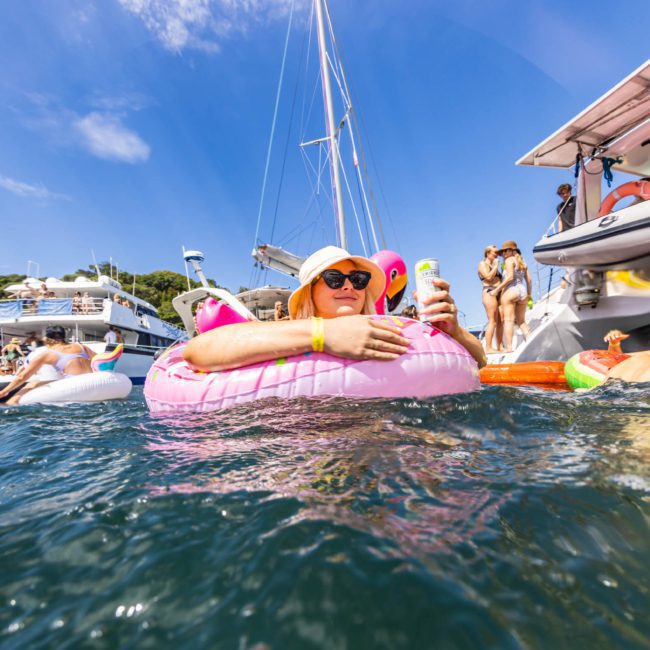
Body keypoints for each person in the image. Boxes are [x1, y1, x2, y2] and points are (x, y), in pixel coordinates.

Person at [183, 246, 486, 372]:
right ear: (309, 293)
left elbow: (481, 364)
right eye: (333, 278)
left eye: (358, 279)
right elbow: (197, 351)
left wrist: (455, 332)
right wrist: (323, 334)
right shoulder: (283, 333)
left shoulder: (388, 330)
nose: (348, 286)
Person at [0, 326, 96, 405]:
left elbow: (22, 376)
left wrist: (5, 391)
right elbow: (99, 359)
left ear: (48, 339)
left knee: (32, 384)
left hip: (74, 386)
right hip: (93, 383)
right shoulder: (81, 346)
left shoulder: (48, 353)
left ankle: (8, 406)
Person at [490, 241, 532, 353]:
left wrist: (496, 290)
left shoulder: (509, 261)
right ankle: (531, 341)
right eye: (502, 251)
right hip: (522, 291)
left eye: (506, 250)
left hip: (511, 291)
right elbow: (529, 280)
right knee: (522, 322)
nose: (504, 253)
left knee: (508, 321)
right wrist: (529, 295)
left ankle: (509, 347)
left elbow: (510, 277)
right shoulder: (522, 262)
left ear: (512, 251)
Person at [478, 245, 503, 353]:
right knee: (492, 321)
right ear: (488, 254)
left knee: (500, 321)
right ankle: (488, 347)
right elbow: (488, 277)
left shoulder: (494, 266)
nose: (497, 255)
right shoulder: (482, 264)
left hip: (498, 292)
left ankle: (500, 346)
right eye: (494, 253)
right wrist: (496, 265)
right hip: (489, 292)